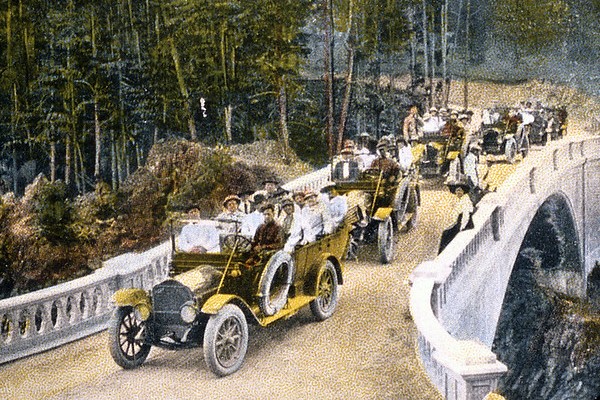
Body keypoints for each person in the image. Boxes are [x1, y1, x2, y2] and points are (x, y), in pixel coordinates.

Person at [438, 181, 474, 254]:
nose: (458, 192)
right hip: (459, 223)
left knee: (446, 235)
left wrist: (461, 228)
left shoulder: (465, 200)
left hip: (464, 224)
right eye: (457, 190)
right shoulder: (461, 199)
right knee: (445, 233)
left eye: (460, 190)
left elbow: (466, 216)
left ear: (464, 191)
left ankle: (443, 253)